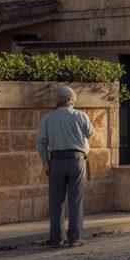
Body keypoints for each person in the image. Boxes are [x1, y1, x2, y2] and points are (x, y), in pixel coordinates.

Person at [37, 86, 95, 247]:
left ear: (58, 101)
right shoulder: (80, 115)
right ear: (71, 100)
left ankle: (56, 239)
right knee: (76, 200)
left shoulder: (48, 119)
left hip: (56, 161)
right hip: (76, 160)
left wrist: (46, 164)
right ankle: (75, 238)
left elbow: (41, 143)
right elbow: (90, 133)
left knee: (56, 202)